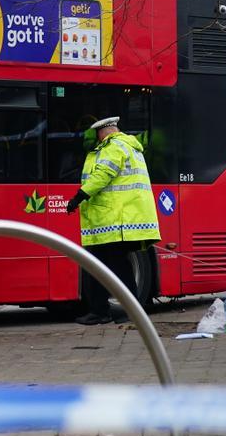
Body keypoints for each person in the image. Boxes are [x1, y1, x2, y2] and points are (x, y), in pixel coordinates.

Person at [65, 116, 160, 325]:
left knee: (116, 266)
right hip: (115, 220)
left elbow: (102, 175)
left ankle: (123, 312)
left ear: (104, 132)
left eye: (97, 134)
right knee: (103, 266)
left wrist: (79, 197)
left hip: (116, 221)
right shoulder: (129, 147)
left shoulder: (115, 146)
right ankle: (101, 311)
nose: (96, 138)